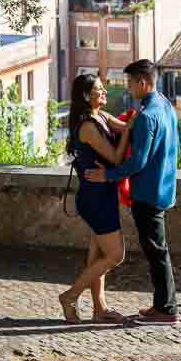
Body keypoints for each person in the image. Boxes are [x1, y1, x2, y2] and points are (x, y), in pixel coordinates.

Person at [85, 59, 179, 325]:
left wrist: (108, 175)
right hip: (164, 186)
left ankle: (167, 310)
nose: (128, 88)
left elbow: (138, 162)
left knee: (156, 252)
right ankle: (162, 304)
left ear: (142, 82)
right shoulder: (165, 106)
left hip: (148, 192)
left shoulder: (148, 116)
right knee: (158, 250)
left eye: (130, 83)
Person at [59, 73, 134, 324]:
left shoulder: (101, 116)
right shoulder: (89, 126)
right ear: (85, 96)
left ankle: (99, 309)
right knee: (115, 255)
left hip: (103, 194)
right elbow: (114, 157)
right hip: (95, 199)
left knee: (97, 256)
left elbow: (124, 126)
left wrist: (135, 121)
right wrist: (127, 132)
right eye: (98, 89)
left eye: (103, 88)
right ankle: (70, 296)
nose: (104, 92)